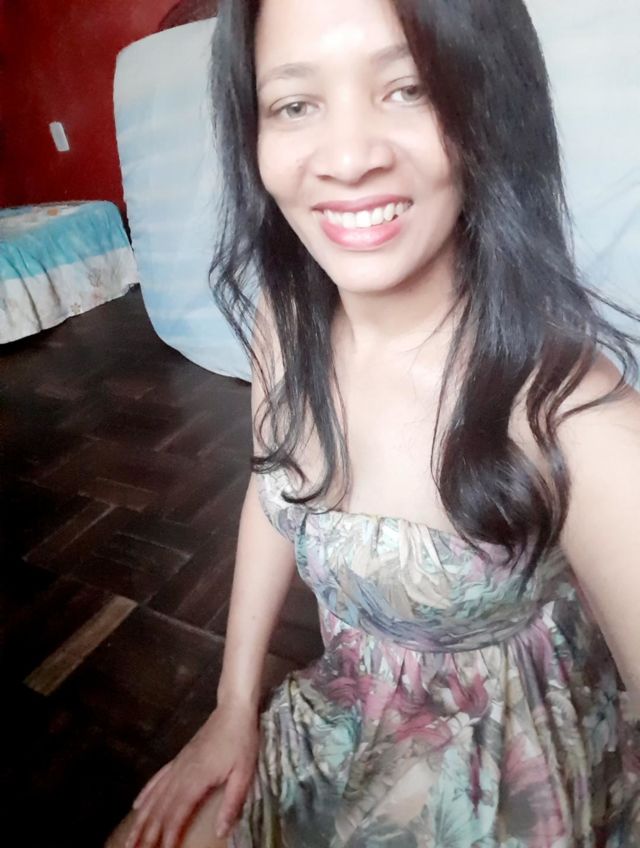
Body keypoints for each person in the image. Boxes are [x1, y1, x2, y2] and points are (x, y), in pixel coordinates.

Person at [109, 0, 640, 846]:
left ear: (487, 103)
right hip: (348, 711)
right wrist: (232, 706)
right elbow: (273, 493)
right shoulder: (283, 328)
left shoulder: (572, 410)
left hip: (515, 774)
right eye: (295, 103)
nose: (350, 158)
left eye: (410, 89)